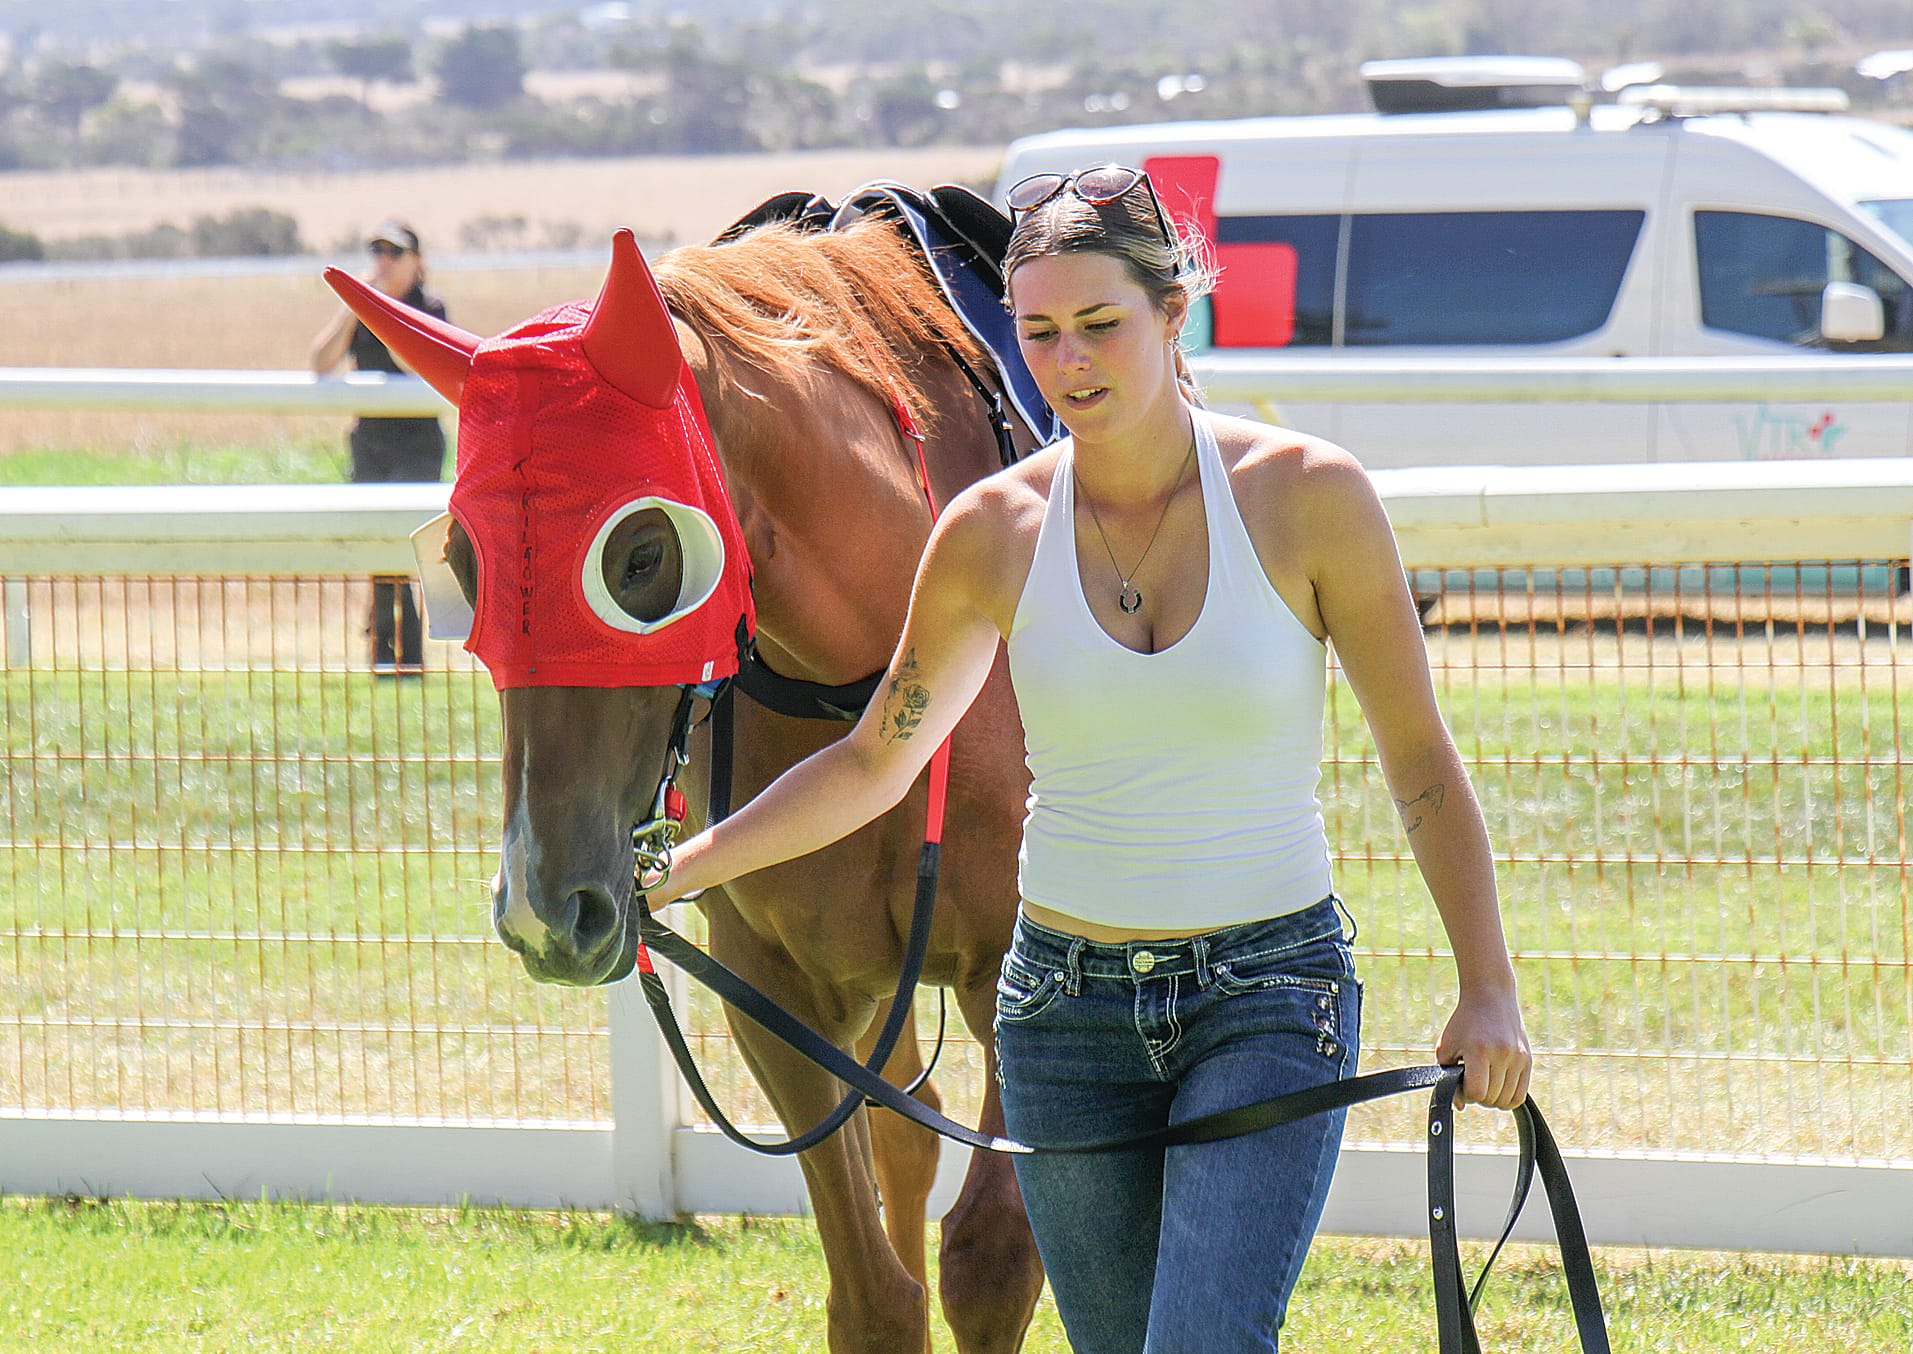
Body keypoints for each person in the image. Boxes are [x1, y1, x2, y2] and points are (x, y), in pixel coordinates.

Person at [652, 165, 1531, 1352]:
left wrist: (1487, 985)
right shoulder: (989, 533)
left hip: (1264, 996)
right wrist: (681, 868)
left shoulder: (1309, 498)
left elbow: (1418, 759)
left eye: (1101, 324)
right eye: (1040, 333)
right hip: (1062, 1016)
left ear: (1175, 314)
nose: (1070, 362)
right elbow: (872, 760)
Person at [309, 220, 449, 675]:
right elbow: (321, 362)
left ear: (417, 263)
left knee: (403, 545)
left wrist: (384, 312)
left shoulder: (430, 309)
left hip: (417, 445)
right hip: (370, 443)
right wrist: (356, 304)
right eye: (378, 253)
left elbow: (415, 365)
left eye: (396, 254)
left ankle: (408, 655)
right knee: (376, 546)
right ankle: (386, 655)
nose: (384, 263)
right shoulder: (360, 309)